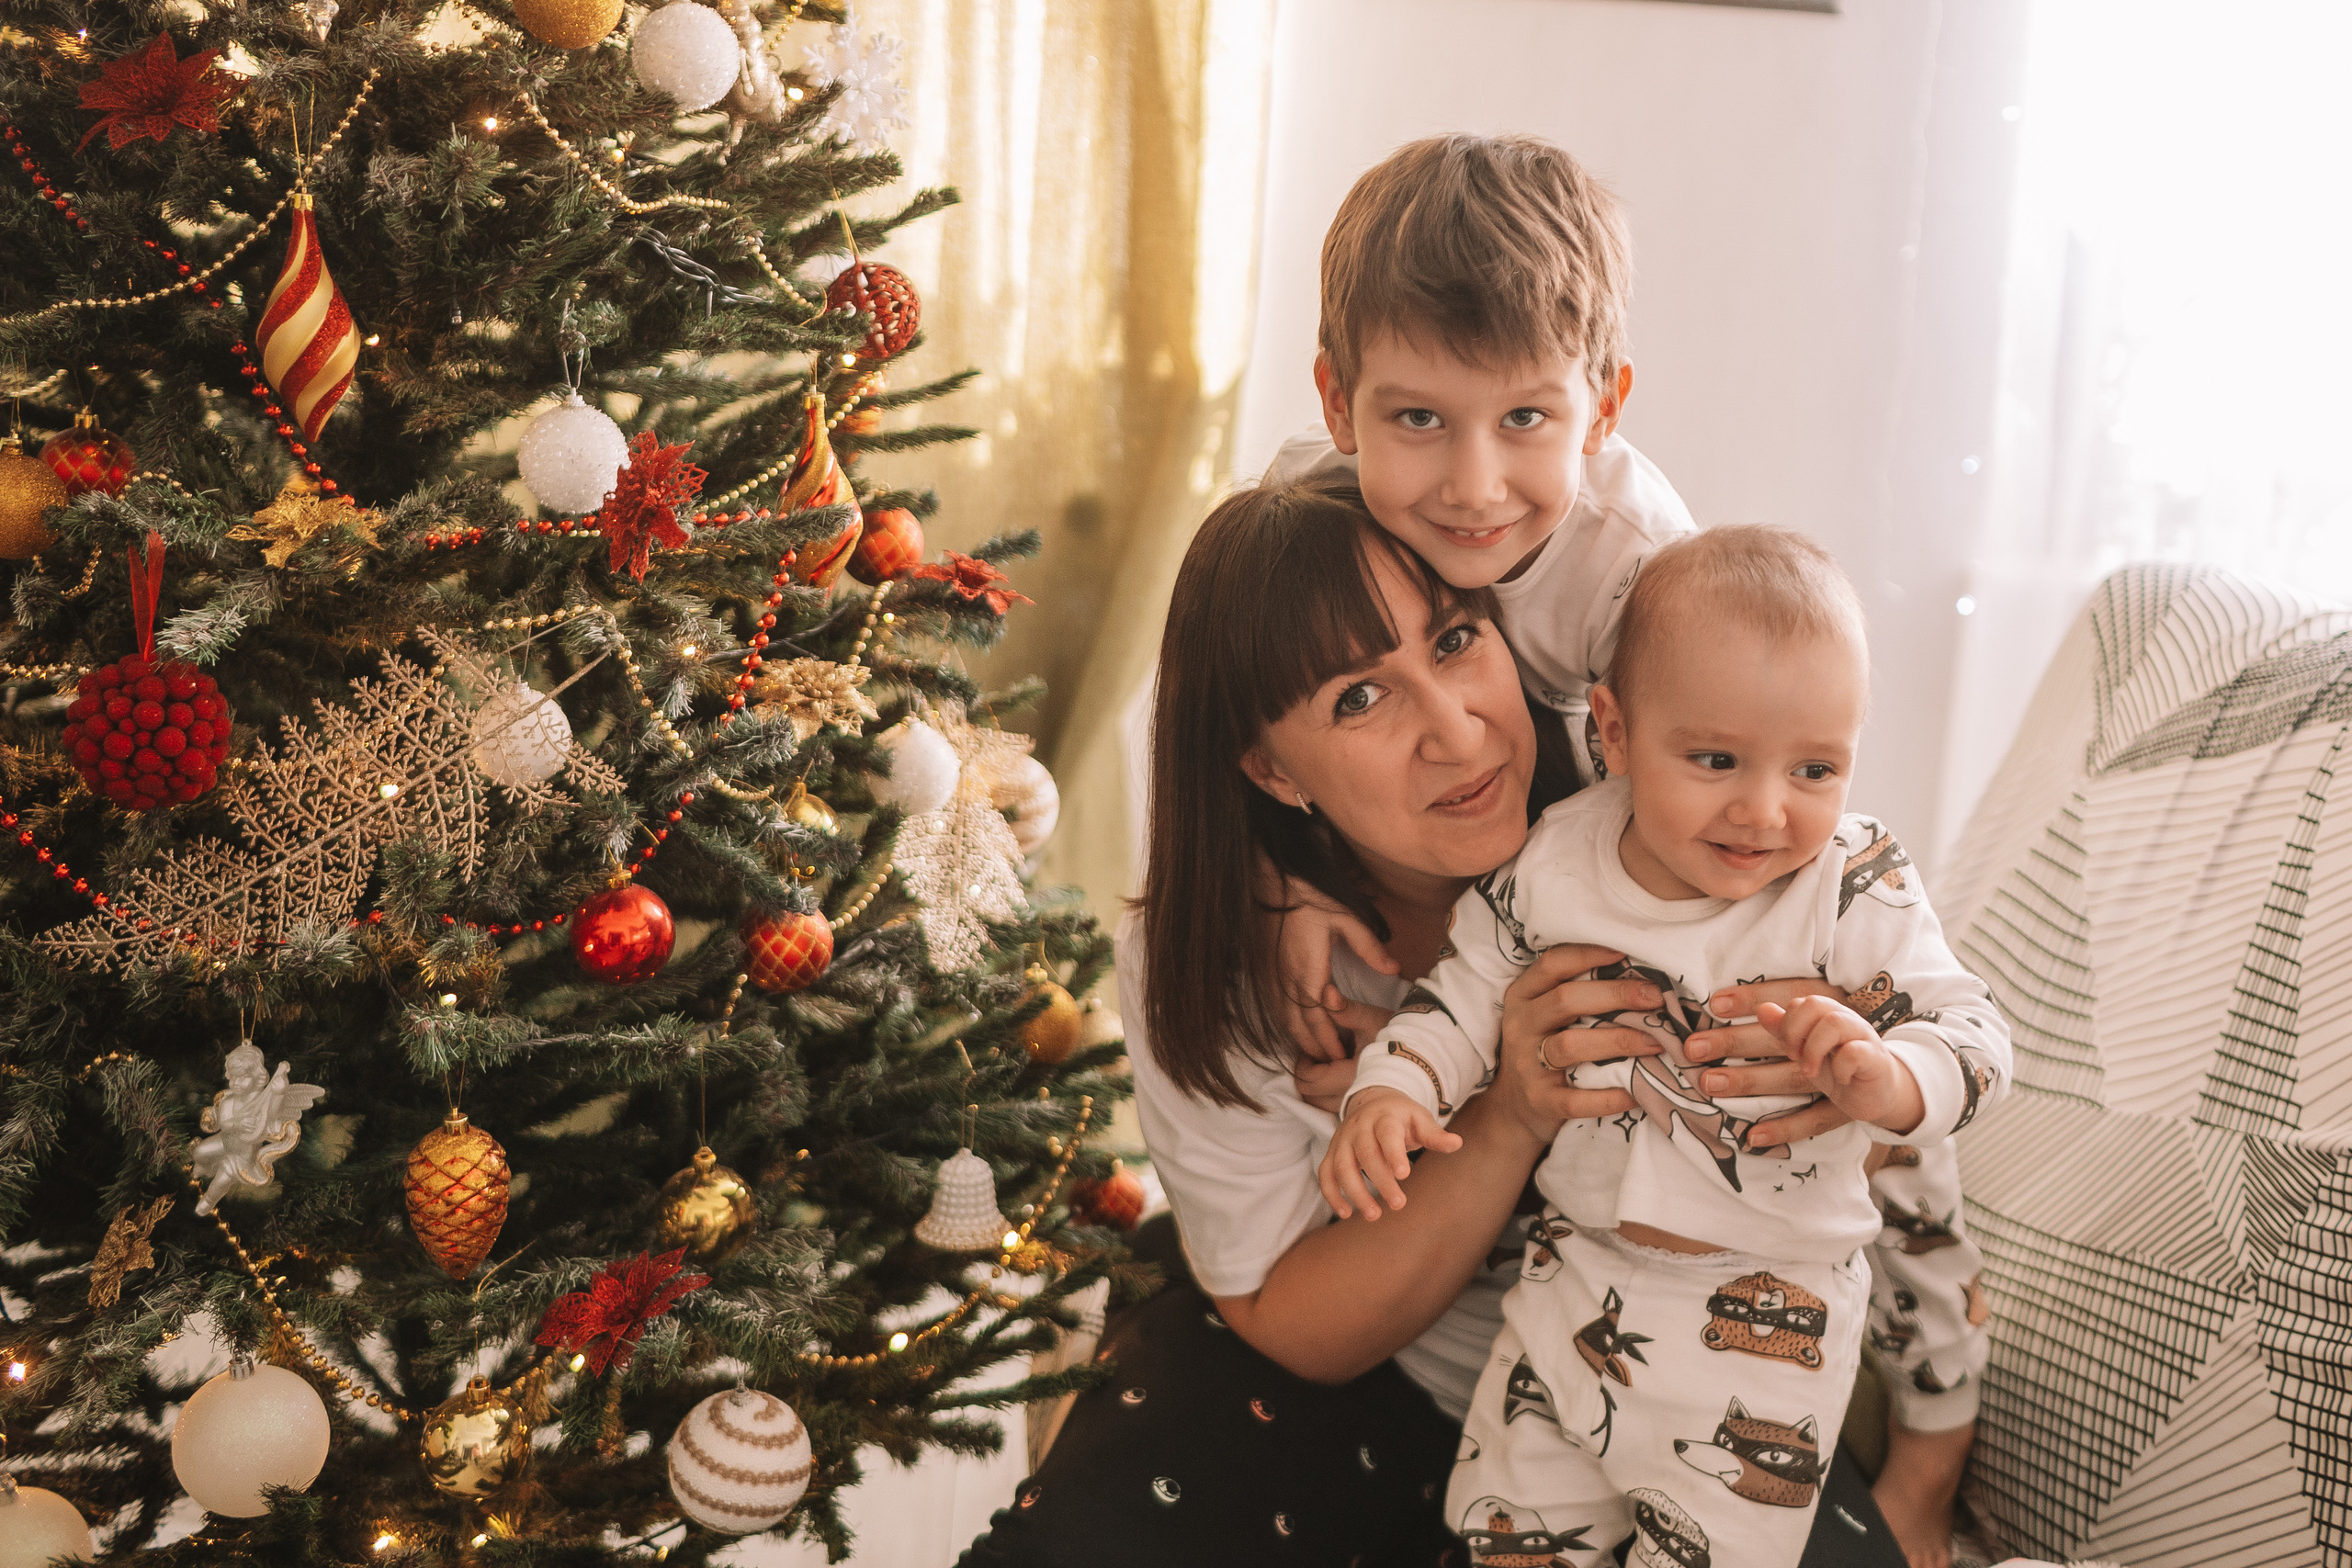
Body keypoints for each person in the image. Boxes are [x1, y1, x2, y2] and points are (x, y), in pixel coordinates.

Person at [1264, 134, 1987, 1565]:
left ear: (1604, 406)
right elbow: (1253, 721)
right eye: (1417, 419)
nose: (1474, 483)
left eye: (1529, 416)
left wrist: (1833, 1000)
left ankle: (1935, 1423)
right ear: (1339, 403)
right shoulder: (1308, 519)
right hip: (1533, 887)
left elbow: (1755, 765)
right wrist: (1286, 878)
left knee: (1889, 1123)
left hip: (1686, 867)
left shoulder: (1634, 568)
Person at [958, 482, 1900, 1567]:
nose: (1458, 734)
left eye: (1456, 641)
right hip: (1383, 1371)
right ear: (1270, 771)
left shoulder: (1672, 802)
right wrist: (1503, 1114)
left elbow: (1509, 434)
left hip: (1689, 1358)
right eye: (1358, 700)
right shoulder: (1224, 955)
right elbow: (1286, 1320)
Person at [1319, 527, 2013, 1568]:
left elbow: (1977, 1037)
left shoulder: (1850, 879)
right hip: (1573, 1286)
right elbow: (1459, 993)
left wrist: (1885, 1071)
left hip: (1766, 1319)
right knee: (1505, 1537)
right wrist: (1390, 1092)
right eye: (1716, 760)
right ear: (1614, 730)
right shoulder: (1558, 859)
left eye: (1815, 768)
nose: (1765, 810)